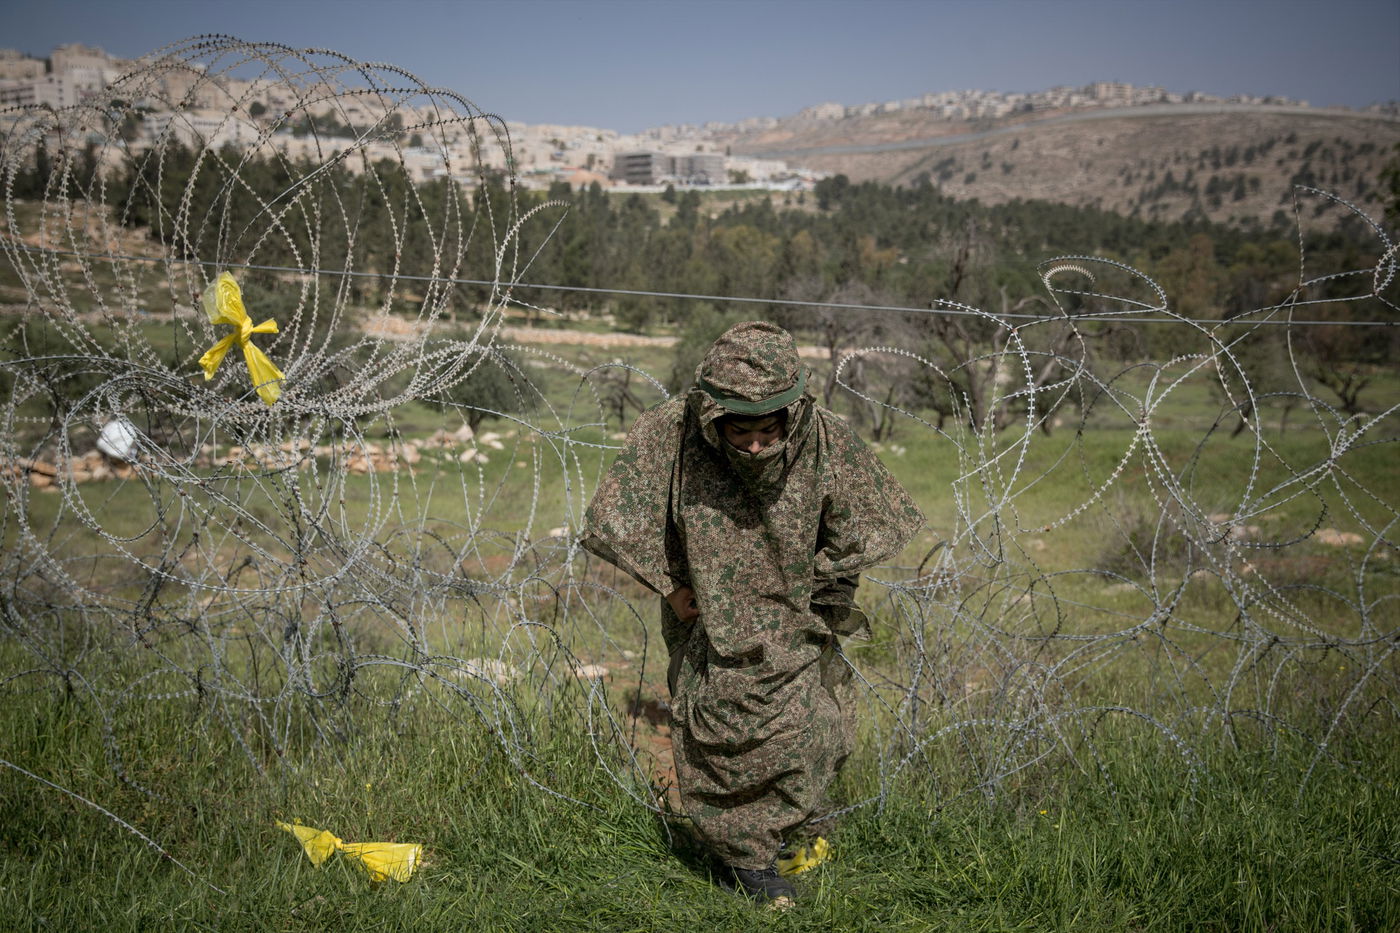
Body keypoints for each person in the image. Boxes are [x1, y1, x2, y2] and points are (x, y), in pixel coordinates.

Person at [581, 321, 923, 906]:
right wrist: (669, 587)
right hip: (705, 611)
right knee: (723, 731)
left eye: (769, 431)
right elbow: (620, 517)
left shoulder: (821, 439)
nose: (757, 447)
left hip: (794, 609)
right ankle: (747, 860)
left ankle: (790, 831)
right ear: (714, 416)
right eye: (741, 432)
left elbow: (870, 520)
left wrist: (824, 594)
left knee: (811, 722)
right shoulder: (673, 434)